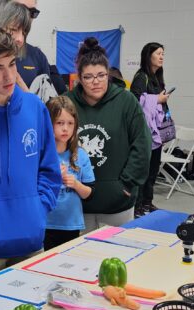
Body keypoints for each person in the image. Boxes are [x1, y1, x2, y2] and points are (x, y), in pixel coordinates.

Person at [0, 26, 62, 279]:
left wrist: (38, 210)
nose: (9, 76)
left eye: (12, 64)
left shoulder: (35, 108)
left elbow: (49, 170)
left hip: (32, 243)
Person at [64, 37, 151, 233]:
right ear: (79, 77)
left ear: (108, 75)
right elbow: (54, 146)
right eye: (88, 77)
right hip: (76, 203)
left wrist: (127, 185)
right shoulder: (66, 103)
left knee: (117, 259)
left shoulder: (126, 101)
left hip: (117, 203)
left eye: (101, 75)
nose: (96, 82)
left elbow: (142, 146)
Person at [44, 96, 94, 250]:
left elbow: (89, 194)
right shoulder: (41, 155)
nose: (65, 128)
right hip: (45, 223)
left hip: (71, 225)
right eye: (59, 123)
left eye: (70, 123)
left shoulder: (81, 155)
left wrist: (75, 184)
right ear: (48, 123)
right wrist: (52, 177)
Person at [130, 42, 170, 217]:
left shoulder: (157, 77)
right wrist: (157, 99)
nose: (161, 57)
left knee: (153, 169)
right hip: (144, 132)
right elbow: (135, 100)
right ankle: (137, 206)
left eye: (163, 54)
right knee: (143, 169)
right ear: (149, 56)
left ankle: (148, 202)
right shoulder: (141, 77)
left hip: (156, 130)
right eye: (158, 53)